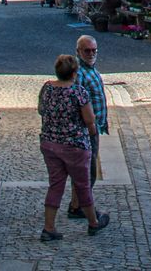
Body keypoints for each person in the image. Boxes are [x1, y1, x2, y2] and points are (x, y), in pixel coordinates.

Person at [39, 53, 109, 240]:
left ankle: (49, 227)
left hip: (50, 143)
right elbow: (89, 120)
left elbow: (40, 110)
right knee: (82, 185)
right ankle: (94, 222)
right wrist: (92, 133)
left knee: (55, 185)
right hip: (75, 146)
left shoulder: (47, 88)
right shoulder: (78, 92)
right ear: (75, 72)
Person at [65, 35, 109, 222]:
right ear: (78, 51)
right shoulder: (80, 73)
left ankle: (76, 205)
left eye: (94, 50)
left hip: (95, 127)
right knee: (87, 171)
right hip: (86, 129)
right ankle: (81, 208)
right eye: (87, 51)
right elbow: (75, 100)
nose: (91, 54)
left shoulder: (91, 69)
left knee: (87, 170)